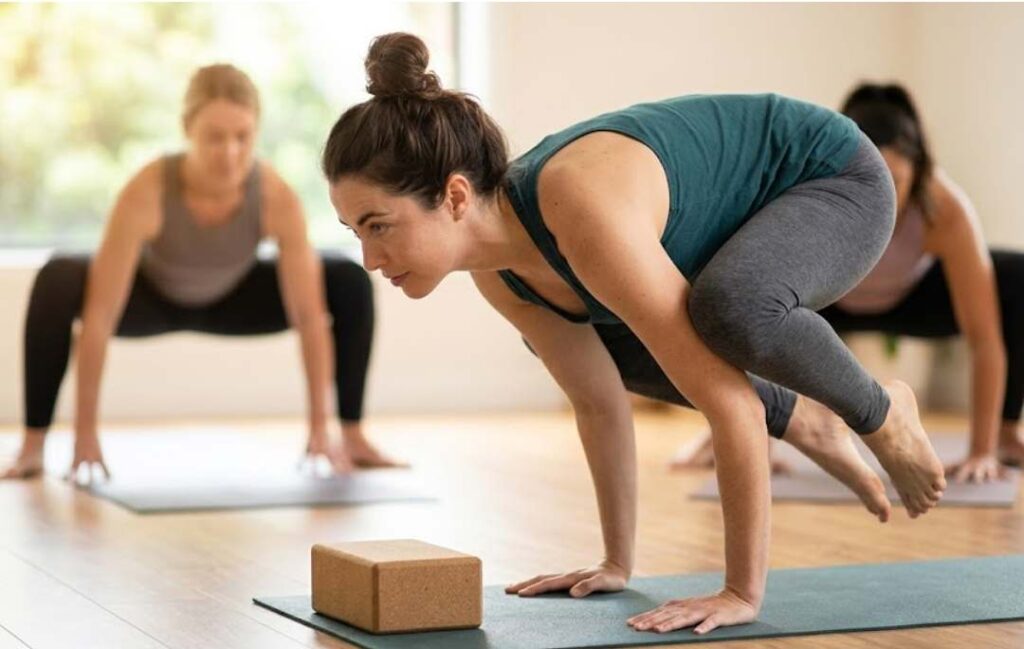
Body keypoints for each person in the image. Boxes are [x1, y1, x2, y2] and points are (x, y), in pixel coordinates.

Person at [322, 33, 945, 634]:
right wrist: (615, 563)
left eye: (379, 225)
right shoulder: (502, 277)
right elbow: (598, 402)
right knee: (622, 350)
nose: (372, 259)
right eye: (356, 233)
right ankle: (808, 419)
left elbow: (728, 404)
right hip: (740, 234)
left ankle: (880, 411)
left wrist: (739, 593)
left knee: (730, 309)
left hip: (834, 177)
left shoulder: (576, 204)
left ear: (455, 196)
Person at [2, 64, 400, 482]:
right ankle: (32, 447)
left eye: (242, 137)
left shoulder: (273, 194)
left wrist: (319, 431)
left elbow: (308, 316)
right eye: (214, 137)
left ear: (256, 132)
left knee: (346, 279)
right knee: (58, 276)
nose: (229, 151)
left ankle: (350, 436)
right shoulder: (148, 189)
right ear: (187, 129)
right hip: (153, 298)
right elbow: (99, 320)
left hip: (234, 298)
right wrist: (85, 437)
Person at [672, 82, 1024, 484]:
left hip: (911, 301)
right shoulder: (808, 194)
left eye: (896, 180)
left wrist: (980, 453)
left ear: (919, 172)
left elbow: (984, 338)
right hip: (829, 301)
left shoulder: (944, 208)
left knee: (1014, 276)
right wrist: (750, 440)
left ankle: (1006, 434)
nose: (883, 194)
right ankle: (726, 427)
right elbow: (750, 300)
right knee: (733, 291)